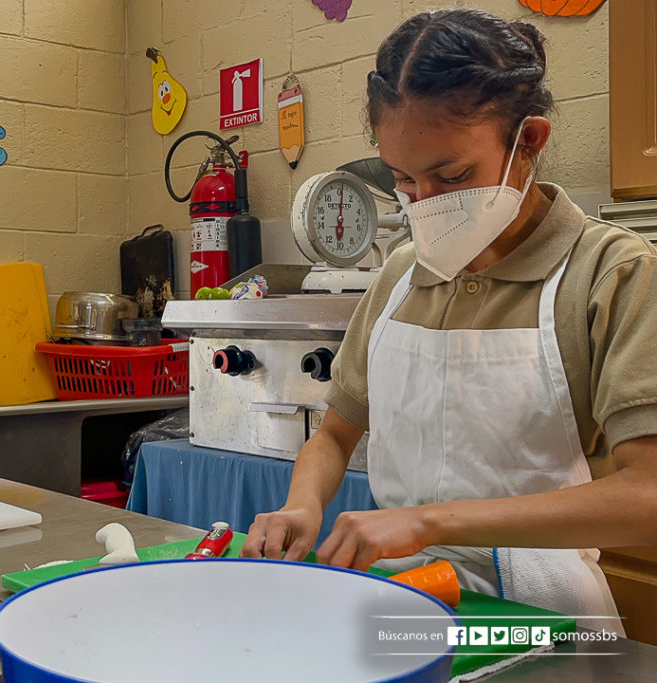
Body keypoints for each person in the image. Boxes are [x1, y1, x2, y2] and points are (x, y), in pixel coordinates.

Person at [242, 9, 656, 633]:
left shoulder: (611, 273)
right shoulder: (402, 275)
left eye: (453, 176)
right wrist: (303, 505)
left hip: (543, 619)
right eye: (405, 181)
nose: (428, 205)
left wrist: (429, 521)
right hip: (405, 600)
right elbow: (333, 436)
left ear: (530, 142)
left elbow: (649, 496)